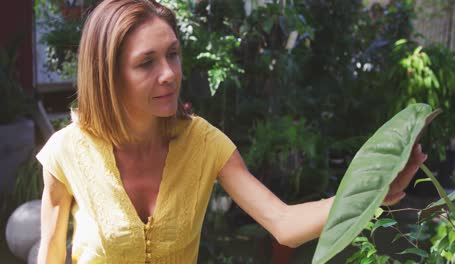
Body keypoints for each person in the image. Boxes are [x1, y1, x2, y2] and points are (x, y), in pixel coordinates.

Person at [36, 0, 427, 263]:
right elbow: (51, 254)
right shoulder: (66, 152)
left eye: (173, 54)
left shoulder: (204, 143)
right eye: (146, 63)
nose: (169, 74)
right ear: (109, 75)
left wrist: (376, 194)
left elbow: (284, 224)